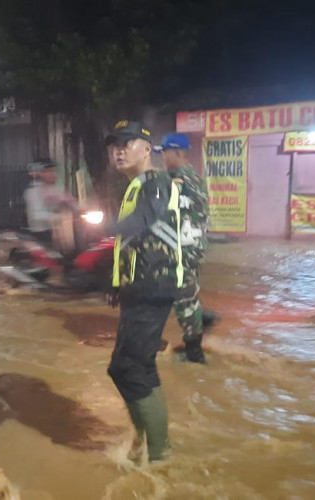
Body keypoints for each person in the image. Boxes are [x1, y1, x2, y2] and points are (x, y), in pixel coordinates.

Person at [105, 120, 184, 463]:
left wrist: (97, 230)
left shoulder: (155, 182)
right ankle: (145, 443)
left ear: (146, 148)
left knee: (130, 369)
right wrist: (114, 283)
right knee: (127, 368)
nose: (118, 150)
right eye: (114, 145)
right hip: (138, 288)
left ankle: (160, 454)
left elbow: (146, 219)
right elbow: (128, 243)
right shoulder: (136, 185)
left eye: (126, 143)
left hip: (154, 285)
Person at [154, 133, 209, 364]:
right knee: (182, 296)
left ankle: (195, 354)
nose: (163, 158)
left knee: (183, 301)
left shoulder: (179, 182)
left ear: (178, 153)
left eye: (165, 153)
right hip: (190, 248)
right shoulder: (192, 177)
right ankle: (202, 321)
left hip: (181, 251)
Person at [23, 159, 76, 246]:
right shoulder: (33, 192)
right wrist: (60, 217)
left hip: (61, 230)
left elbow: (72, 203)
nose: (53, 174)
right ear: (40, 174)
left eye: (54, 171)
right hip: (43, 233)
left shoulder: (56, 189)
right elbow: (36, 216)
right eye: (48, 171)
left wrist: (84, 209)